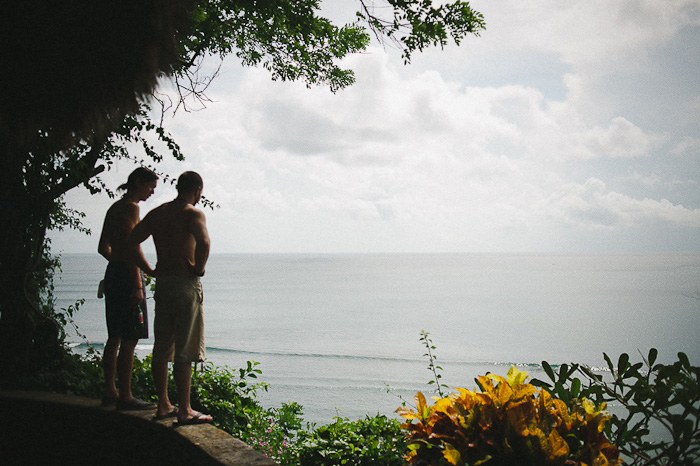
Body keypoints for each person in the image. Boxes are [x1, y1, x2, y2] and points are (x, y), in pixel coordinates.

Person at [128, 171, 213, 424]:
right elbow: (205, 242)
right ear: (197, 188)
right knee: (185, 348)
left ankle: (164, 404)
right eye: (200, 192)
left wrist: (149, 270)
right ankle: (185, 410)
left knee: (162, 347)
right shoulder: (192, 213)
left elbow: (132, 240)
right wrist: (198, 268)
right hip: (185, 285)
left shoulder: (158, 213)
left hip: (163, 284)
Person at [97, 167, 158, 410]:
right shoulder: (132, 208)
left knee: (114, 337)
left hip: (114, 274)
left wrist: (117, 264)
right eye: (150, 186)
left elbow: (104, 247)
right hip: (128, 277)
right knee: (131, 337)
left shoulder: (114, 208)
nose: (152, 191)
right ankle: (126, 396)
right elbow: (133, 246)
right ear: (137, 182)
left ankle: (110, 390)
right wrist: (142, 277)